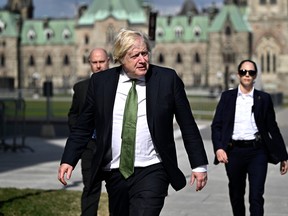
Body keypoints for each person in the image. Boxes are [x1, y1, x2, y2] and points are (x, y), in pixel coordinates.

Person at [58, 28, 208, 216]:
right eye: (135, 55)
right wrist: (69, 159)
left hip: (153, 168)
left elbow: (187, 125)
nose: (142, 60)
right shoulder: (101, 83)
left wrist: (199, 164)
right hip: (115, 171)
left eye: (144, 53)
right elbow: (83, 126)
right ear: (120, 57)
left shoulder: (167, 79)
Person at [211, 59, 288, 216]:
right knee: (236, 195)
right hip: (233, 153)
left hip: (257, 152)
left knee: (256, 196)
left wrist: (283, 156)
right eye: (244, 72)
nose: (247, 75)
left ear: (255, 76)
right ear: (239, 74)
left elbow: (272, 127)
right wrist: (219, 148)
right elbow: (216, 125)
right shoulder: (227, 97)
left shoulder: (264, 98)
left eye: (251, 72)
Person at [68, 48, 110, 216]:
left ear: (109, 61)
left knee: (117, 191)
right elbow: (73, 115)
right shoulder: (80, 88)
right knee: (90, 189)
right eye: (95, 62)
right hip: (90, 148)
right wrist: (82, 137)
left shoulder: (120, 86)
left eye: (102, 62)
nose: (98, 66)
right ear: (90, 64)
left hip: (112, 148)